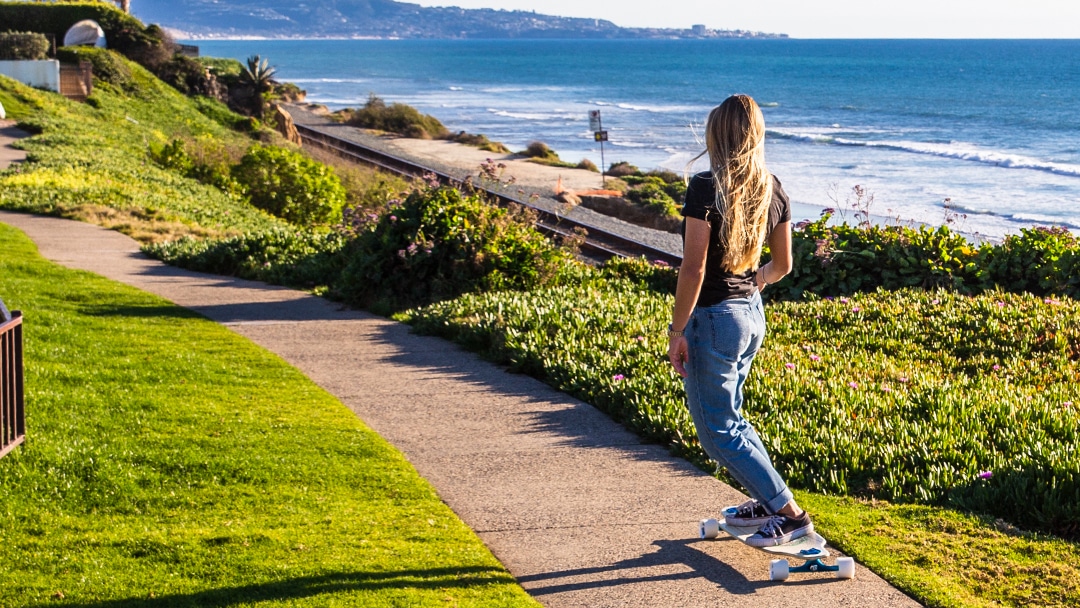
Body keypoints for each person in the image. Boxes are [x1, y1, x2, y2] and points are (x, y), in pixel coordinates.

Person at [667, 94, 810, 547]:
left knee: (718, 431)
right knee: (733, 421)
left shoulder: (706, 188)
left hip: (714, 320)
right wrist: (752, 285)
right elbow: (783, 265)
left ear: (717, 135)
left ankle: (789, 514)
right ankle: (769, 504)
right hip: (750, 316)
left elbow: (693, 268)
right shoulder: (773, 187)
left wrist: (676, 331)